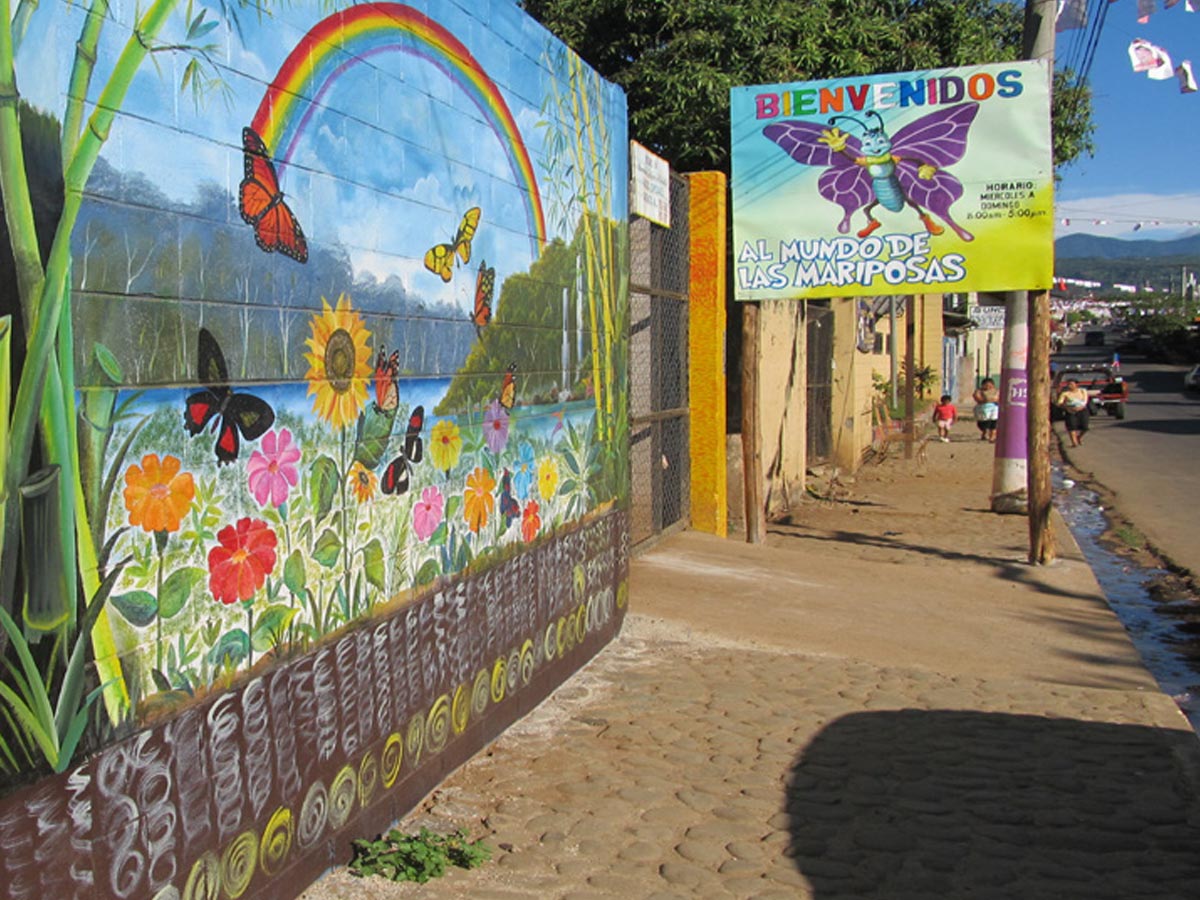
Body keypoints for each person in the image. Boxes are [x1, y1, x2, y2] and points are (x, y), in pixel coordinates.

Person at [1056, 377, 1090, 447]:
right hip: (1070, 411)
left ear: (1076, 384)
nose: (1069, 386)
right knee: (1072, 427)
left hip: (1082, 410)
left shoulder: (1082, 391)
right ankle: (1074, 443)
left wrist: (1081, 407)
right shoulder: (1065, 393)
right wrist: (1067, 407)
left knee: (1085, 427)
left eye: (1071, 384)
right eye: (1068, 384)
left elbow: (1085, 401)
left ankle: (1079, 437)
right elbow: (1059, 403)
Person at [972, 378, 999, 444]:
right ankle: (984, 433)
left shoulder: (997, 391)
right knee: (983, 424)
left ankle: (992, 437)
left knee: (994, 424)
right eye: (986, 385)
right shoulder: (979, 391)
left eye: (990, 386)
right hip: (983, 410)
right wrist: (988, 399)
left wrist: (993, 400)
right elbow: (978, 398)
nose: (988, 387)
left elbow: (999, 398)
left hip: (994, 409)